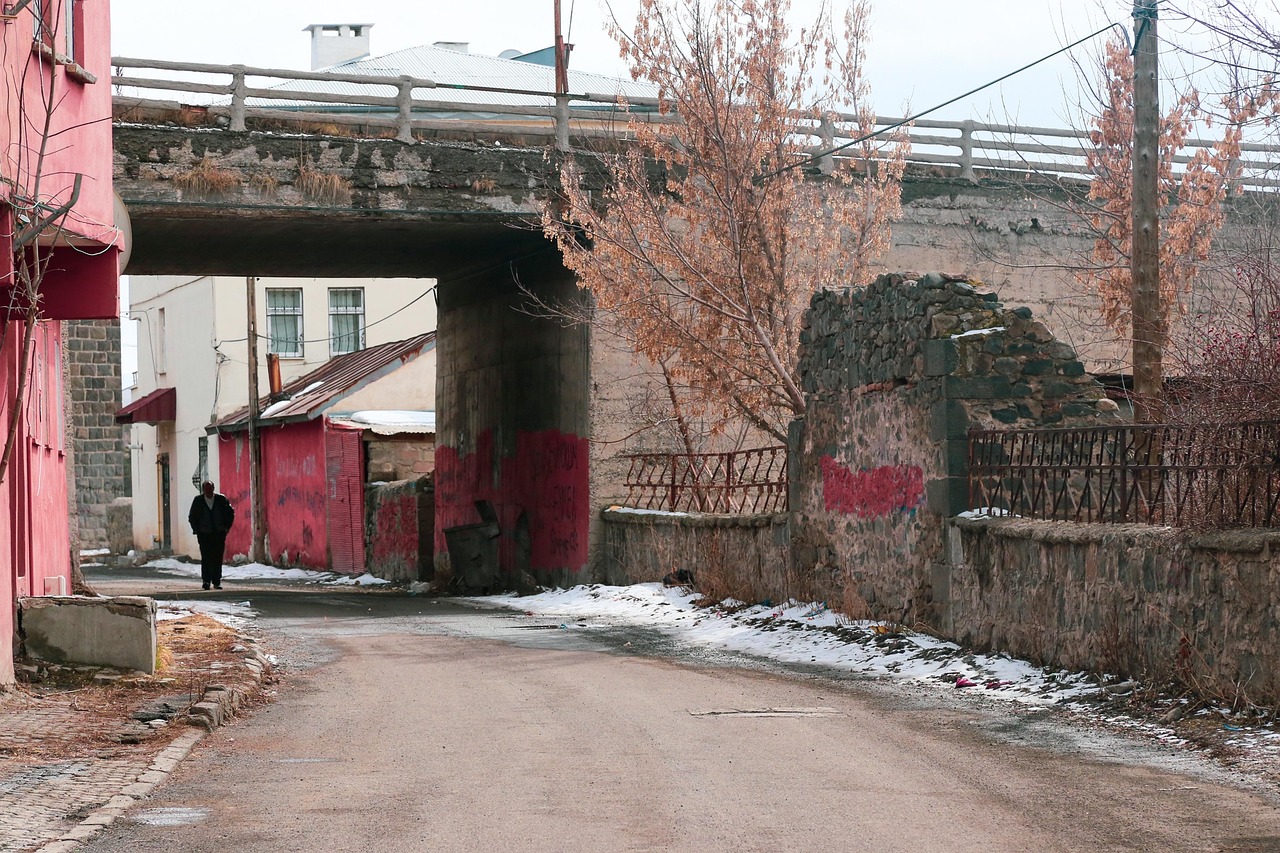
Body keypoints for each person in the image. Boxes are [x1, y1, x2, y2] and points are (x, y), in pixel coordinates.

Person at [188, 480, 235, 590]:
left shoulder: (221, 499)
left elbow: (230, 512)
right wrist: (197, 530)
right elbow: (192, 517)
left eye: (210, 488)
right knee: (206, 557)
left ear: (213, 489)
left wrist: (226, 527)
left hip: (218, 533)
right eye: (206, 489)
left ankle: (216, 581)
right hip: (204, 534)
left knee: (217, 557)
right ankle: (206, 581)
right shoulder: (198, 501)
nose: (208, 491)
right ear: (203, 490)